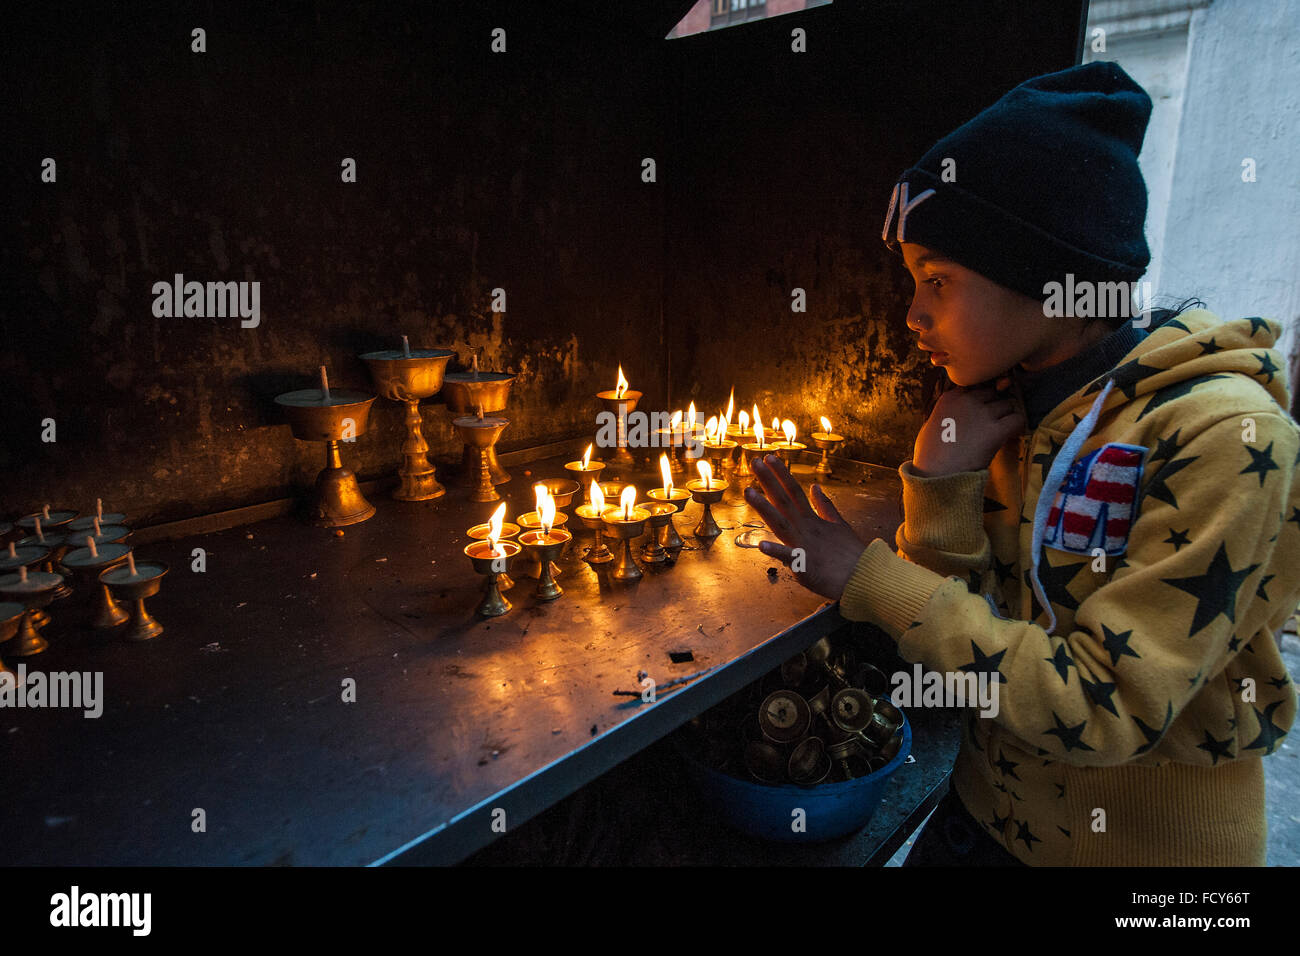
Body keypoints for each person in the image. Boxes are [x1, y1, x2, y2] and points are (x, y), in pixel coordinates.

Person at [746, 61, 1299, 866]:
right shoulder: (1006, 407)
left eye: (937, 279)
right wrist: (940, 482)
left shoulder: (1223, 439)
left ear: (1050, 280)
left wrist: (865, 576)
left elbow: (1103, 707)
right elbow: (951, 640)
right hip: (981, 817)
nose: (911, 315)